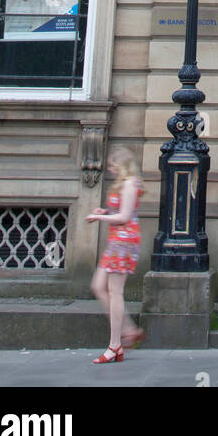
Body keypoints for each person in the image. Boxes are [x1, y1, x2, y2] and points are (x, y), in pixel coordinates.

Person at [86, 146, 146, 363]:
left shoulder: (130, 183)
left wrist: (99, 218)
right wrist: (104, 212)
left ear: (123, 165)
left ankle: (115, 345)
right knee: (98, 286)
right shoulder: (123, 184)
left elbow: (125, 216)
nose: (110, 169)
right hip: (116, 241)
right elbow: (118, 213)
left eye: (113, 165)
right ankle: (128, 330)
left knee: (115, 292)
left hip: (124, 242)